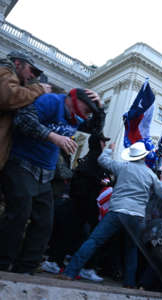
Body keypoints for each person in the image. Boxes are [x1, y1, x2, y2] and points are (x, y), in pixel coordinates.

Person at [0, 87, 105, 274]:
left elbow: (95, 130)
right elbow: (22, 120)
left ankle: (25, 269)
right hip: (22, 163)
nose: (88, 113)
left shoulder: (78, 119)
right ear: (73, 98)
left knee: (44, 222)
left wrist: (100, 108)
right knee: (19, 214)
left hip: (45, 173)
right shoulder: (51, 102)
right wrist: (53, 137)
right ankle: (2, 263)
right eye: (87, 107)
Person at [59, 141, 162, 289]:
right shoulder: (150, 174)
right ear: (143, 157)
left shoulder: (122, 167)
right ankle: (129, 283)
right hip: (137, 216)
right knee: (131, 249)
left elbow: (102, 160)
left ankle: (69, 272)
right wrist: (160, 180)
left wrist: (109, 149)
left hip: (117, 211)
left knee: (94, 240)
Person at [0, 50, 50, 170]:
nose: (33, 76)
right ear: (17, 64)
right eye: (32, 70)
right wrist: (38, 89)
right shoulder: (4, 70)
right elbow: (9, 97)